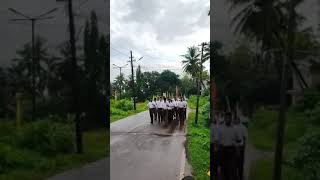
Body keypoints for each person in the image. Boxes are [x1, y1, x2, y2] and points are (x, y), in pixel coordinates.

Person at [217, 112, 241, 180]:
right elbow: (218, 140)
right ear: (225, 118)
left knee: (232, 168)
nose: (228, 119)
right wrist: (217, 150)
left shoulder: (235, 128)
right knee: (223, 168)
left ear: (231, 119)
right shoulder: (220, 128)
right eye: (226, 118)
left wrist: (238, 150)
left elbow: (238, 140)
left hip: (232, 150)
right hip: (223, 149)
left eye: (229, 118)